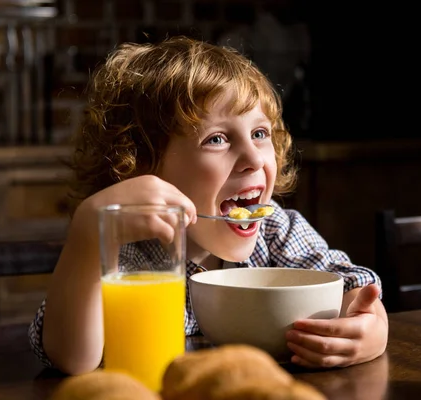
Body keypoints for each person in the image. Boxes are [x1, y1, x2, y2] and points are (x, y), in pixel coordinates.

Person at [28, 36, 388, 374]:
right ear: (140, 165)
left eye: (259, 134)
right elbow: (72, 358)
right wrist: (90, 231)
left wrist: (369, 329)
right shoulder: (128, 256)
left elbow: (352, 290)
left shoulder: (277, 230)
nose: (253, 158)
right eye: (217, 139)